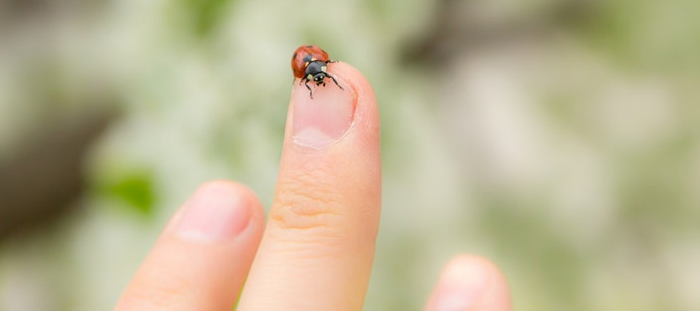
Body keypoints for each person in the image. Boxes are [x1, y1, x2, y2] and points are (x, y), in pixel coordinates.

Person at [116, 62, 512, 310]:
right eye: (316, 77)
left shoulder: (316, 70)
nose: (320, 79)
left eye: (321, 74)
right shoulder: (306, 74)